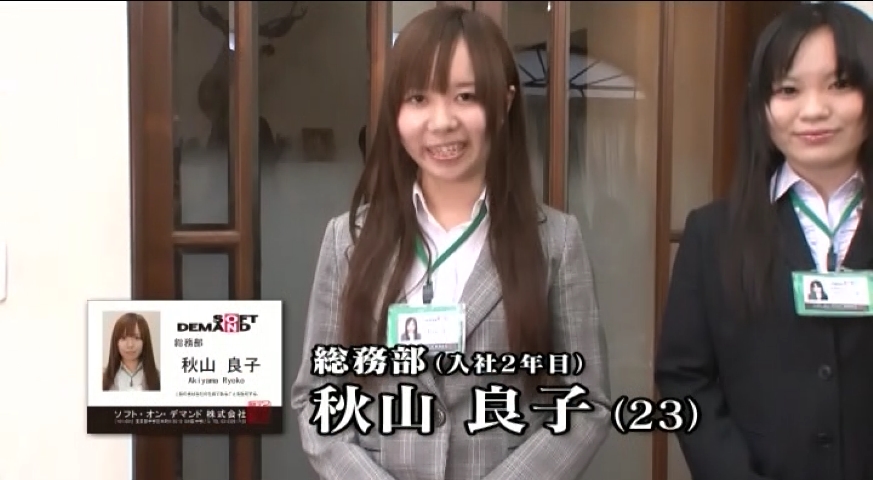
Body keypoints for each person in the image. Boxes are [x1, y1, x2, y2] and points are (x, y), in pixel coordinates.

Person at [290, 6, 610, 480]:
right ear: (395, 111)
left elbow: (587, 405)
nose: (441, 122)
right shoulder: (348, 239)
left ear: (503, 103)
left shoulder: (557, 241)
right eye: (418, 98)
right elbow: (317, 397)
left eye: (465, 96)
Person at [655, 3, 873, 480]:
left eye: (839, 84)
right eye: (788, 90)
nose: (813, 110)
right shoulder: (712, 234)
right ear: (762, 107)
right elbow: (685, 378)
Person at [102, 312, 161, 391]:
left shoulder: (159, 378)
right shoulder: (102, 379)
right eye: (123, 338)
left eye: (136, 338)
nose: (130, 345)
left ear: (145, 341)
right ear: (116, 342)